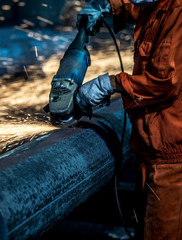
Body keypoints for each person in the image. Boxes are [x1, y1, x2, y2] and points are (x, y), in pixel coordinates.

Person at [75, 0, 182, 239]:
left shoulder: (179, 14)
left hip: (173, 163)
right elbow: (137, 7)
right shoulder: (158, 6)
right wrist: (106, 5)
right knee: (143, 228)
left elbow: (165, 83)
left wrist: (111, 84)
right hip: (150, 151)